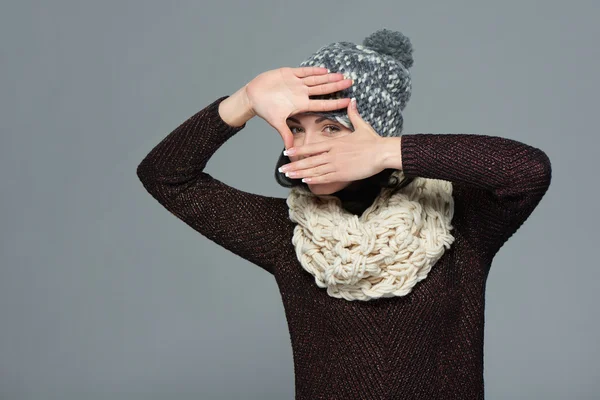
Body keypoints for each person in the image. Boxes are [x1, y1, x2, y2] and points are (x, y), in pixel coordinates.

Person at [137, 28, 552, 400]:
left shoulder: (458, 222)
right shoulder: (288, 235)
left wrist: (388, 151)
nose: (304, 145)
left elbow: (528, 172)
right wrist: (245, 99)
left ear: (374, 133)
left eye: (332, 127)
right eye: (296, 127)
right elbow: (165, 176)